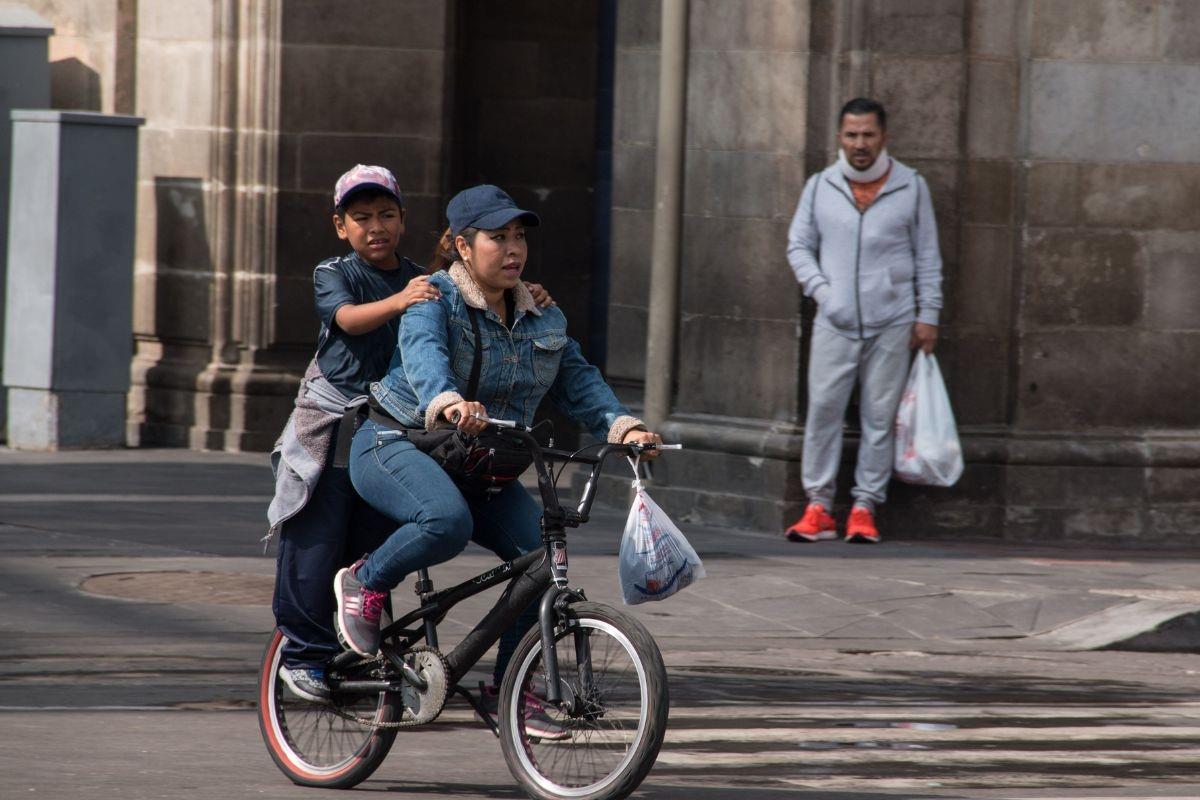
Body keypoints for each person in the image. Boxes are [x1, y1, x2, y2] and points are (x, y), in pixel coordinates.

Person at [337, 184, 661, 732]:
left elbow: (579, 381)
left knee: (540, 559)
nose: (512, 249)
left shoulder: (543, 318)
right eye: (497, 238)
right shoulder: (433, 299)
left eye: (518, 237)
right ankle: (364, 582)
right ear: (463, 246)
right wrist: (448, 403)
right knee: (445, 521)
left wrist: (624, 425)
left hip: (478, 463)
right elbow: (424, 358)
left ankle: (514, 688)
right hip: (398, 443)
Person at [267, 166, 552, 704]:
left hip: (398, 423)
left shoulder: (425, 277)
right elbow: (348, 320)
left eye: (387, 215)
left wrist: (521, 292)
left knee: (376, 538)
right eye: (362, 217)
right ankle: (302, 655)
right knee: (317, 541)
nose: (377, 227)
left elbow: (473, 290)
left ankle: (406, 661)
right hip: (334, 422)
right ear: (340, 226)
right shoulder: (337, 272)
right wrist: (402, 301)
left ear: (403, 219)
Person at [784, 98, 943, 545]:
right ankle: (818, 507)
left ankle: (864, 507)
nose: (859, 144)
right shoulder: (820, 186)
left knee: (880, 417)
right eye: (851, 135)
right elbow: (798, 245)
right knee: (823, 413)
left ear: (883, 137)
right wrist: (824, 292)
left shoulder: (912, 186)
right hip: (834, 321)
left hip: (893, 322)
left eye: (868, 135)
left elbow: (928, 257)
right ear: (840, 137)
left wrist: (928, 315)